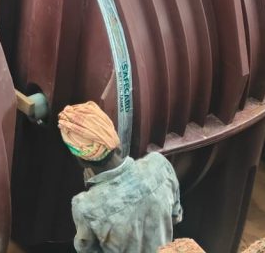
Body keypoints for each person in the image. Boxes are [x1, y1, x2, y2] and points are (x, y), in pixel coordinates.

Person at [58, 101, 183, 253]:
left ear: (80, 160)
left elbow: (87, 250)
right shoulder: (159, 164)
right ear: (112, 136)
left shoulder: (85, 207)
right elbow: (175, 217)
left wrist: (94, 192)